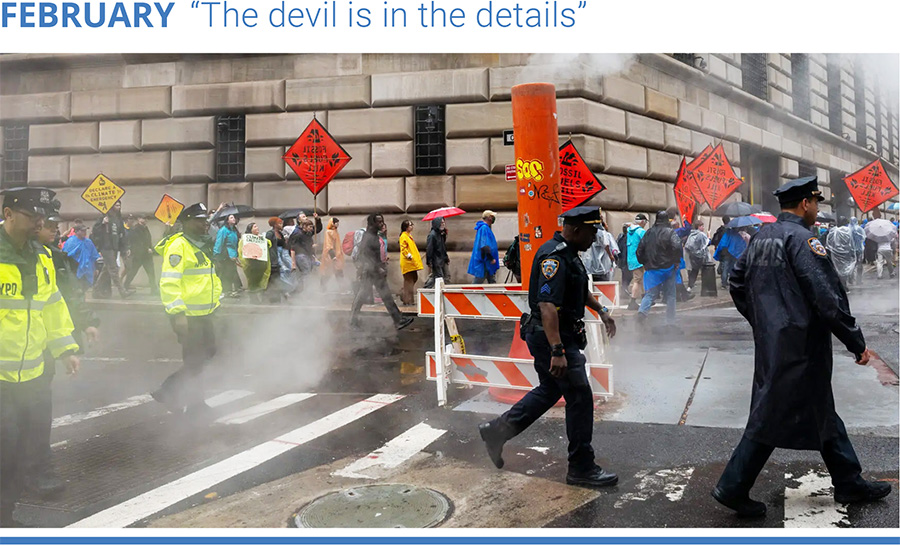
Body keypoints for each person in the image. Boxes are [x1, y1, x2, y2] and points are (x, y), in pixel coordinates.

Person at [712, 176, 890, 518]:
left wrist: (762, 321)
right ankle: (732, 485)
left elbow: (737, 281)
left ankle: (849, 480)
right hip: (801, 346)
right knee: (772, 412)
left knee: (820, 409)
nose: (817, 209)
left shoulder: (763, 236)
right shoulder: (804, 240)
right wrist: (856, 343)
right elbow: (826, 298)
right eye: (816, 203)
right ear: (806, 204)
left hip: (774, 342)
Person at [478, 206, 618, 487]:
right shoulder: (553, 256)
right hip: (551, 337)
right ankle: (581, 467)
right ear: (576, 229)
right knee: (579, 397)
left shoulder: (569, 254)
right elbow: (547, 306)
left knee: (550, 390)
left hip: (554, 335)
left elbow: (578, 289)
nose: (594, 239)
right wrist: (557, 351)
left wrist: (601, 310)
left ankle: (497, 431)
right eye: (592, 232)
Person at [0, 188, 80, 527]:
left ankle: (5, 516)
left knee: (24, 453)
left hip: (32, 376)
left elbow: (52, 306)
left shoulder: (42, 257)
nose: (40, 222)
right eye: (33, 215)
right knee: (5, 450)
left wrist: (66, 349)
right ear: (8, 214)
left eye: (41, 216)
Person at [30, 211, 100, 498]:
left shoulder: (53, 258)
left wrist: (86, 323)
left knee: (35, 411)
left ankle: (37, 469)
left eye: (56, 226)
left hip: (38, 349)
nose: (54, 231)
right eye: (48, 226)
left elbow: (65, 298)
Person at [152, 203, 223, 418]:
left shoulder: (200, 244)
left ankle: (170, 393)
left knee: (206, 354)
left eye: (205, 220)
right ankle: (192, 403)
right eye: (199, 220)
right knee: (194, 361)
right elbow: (169, 283)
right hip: (187, 315)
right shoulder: (179, 246)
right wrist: (177, 314)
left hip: (203, 313)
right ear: (187, 222)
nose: (204, 224)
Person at [349, 213, 414, 331]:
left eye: (382, 221)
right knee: (365, 295)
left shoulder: (373, 235)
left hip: (373, 271)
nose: (382, 224)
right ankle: (353, 321)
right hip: (371, 272)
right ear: (373, 223)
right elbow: (365, 255)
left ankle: (397, 320)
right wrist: (377, 267)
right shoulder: (369, 237)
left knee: (383, 295)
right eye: (379, 222)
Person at [635, 211, 683, 327]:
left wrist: (644, 262)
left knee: (650, 293)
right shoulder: (670, 232)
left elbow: (639, 250)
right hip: (667, 268)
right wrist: (676, 261)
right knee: (671, 295)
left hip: (652, 269)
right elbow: (677, 246)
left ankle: (642, 313)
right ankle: (670, 322)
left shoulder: (649, 233)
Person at [91, 201, 133, 299]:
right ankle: (122, 291)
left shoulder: (118, 219)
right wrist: (102, 223)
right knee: (114, 270)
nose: (118, 207)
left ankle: (95, 290)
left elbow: (122, 235)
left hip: (114, 248)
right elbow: (95, 231)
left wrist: (125, 248)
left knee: (106, 270)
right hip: (106, 247)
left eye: (119, 205)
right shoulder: (104, 217)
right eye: (116, 205)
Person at [238, 222, 271, 304]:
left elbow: (269, 244)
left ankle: (258, 298)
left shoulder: (261, 238)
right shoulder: (244, 239)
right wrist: (245, 263)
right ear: (250, 230)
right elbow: (241, 251)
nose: (257, 228)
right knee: (252, 281)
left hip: (261, 263)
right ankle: (253, 299)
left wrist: (263, 239)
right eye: (255, 227)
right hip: (251, 264)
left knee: (260, 281)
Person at [123, 215, 157, 294]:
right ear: (138, 219)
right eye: (142, 218)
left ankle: (154, 289)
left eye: (145, 218)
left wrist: (150, 248)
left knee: (151, 272)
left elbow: (148, 240)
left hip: (146, 255)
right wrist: (147, 249)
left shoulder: (145, 228)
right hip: (139, 255)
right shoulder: (136, 229)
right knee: (133, 272)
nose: (144, 220)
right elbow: (137, 242)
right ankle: (125, 286)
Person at [581, 212, 618, 282]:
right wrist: (611, 256)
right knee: (602, 283)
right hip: (599, 265)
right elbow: (606, 244)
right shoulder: (600, 230)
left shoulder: (586, 229)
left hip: (588, 263)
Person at [62, 224, 100, 290]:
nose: (84, 232)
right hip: (75, 270)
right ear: (76, 231)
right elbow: (66, 256)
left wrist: (95, 268)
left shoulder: (88, 242)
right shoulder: (71, 242)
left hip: (87, 270)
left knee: (84, 288)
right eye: (82, 231)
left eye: (85, 231)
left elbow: (93, 256)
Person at [467, 210, 500, 284]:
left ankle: (495, 294)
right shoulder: (484, 228)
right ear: (489, 218)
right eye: (492, 216)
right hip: (484, 261)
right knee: (479, 280)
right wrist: (491, 258)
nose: (494, 218)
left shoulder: (484, 228)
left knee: (491, 280)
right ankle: (471, 293)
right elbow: (484, 245)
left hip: (486, 261)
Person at [266, 216, 295, 299]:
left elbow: (284, 246)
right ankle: (284, 292)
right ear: (275, 225)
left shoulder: (281, 234)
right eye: (280, 223)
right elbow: (268, 245)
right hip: (275, 255)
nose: (281, 225)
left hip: (283, 254)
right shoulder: (270, 233)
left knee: (289, 270)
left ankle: (286, 291)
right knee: (282, 272)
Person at [825, 217, 858, 290]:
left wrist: (831, 250)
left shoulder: (834, 231)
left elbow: (829, 242)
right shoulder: (848, 230)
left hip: (835, 253)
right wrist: (853, 252)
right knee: (845, 268)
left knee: (837, 269)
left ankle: (841, 285)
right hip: (846, 253)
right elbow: (851, 242)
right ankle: (844, 283)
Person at [214, 214, 242, 298]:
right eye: (231, 217)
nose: (234, 219)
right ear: (227, 220)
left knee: (231, 273)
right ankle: (226, 290)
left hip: (233, 255)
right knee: (226, 273)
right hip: (225, 255)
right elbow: (219, 242)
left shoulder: (234, 230)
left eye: (234, 217)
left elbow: (235, 244)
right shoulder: (223, 230)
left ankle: (229, 290)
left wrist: (236, 255)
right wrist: (216, 254)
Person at [626, 214, 648, 309]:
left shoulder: (629, 232)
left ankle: (645, 298)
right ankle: (632, 302)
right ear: (643, 222)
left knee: (641, 278)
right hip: (639, 259)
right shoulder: (641, 232)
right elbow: (647, 244)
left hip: (631, 258)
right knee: (637, 280)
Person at [399, 219, 423, 305]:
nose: (412, 226)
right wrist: (408, 255)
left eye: (412, 224)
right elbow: (403, 248)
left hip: (411, 262)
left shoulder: (408, 235)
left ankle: (405, 294)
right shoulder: (403, 236)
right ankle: (408, 299)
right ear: (406, 227)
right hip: (407, 262)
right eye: (410, 225)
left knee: (413, 279)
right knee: (409, 281)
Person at [319, 217, 345, 291]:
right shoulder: (329, 232)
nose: (337, 224)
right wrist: (333, 256)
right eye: (336, 222)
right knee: (328, 272)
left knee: (338, 271)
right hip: (331, 256)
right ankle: (322, 288)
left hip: (336, 255)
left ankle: (341, 287)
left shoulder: (335, 231)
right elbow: (328, 245)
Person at [684, 219, 710, 291]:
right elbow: (708, 243)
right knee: (703, 271)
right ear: (698, 227)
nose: (703, 228)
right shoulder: (701, 234)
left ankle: (690, 286)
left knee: (693, 271)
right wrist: (709, 236)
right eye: (702, 226)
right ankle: (706, 287)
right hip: (700, 255)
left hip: (692, 255)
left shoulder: (691, 234)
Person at [423, 217, 448, 289]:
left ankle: (426, 289)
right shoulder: (432, 235)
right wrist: (429, 261)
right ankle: (426, 290)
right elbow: (429, 249)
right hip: (436, 260)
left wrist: (446, 258)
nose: (443, 224)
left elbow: (443, 248)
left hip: (441, 259)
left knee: (437, 277)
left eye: (444, 222)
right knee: (439, 277)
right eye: (441, 223)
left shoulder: (441, 234)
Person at [849, 217, 866, 284]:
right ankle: (858, 279)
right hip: (859, 249)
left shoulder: (849, 229)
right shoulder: (859, 229)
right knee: (859, 264)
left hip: (852, 249)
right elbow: (863, 238)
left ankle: (852, 279)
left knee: (853, 264)